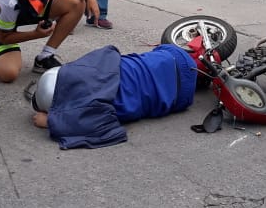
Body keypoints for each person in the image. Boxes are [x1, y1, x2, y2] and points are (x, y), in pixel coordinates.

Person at [28, 43, 199, 149]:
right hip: (173, 56)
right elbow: (110, 51)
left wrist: (52, 122)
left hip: (179, 96)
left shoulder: (93, 110)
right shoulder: (84, 66)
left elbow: (109, 133)